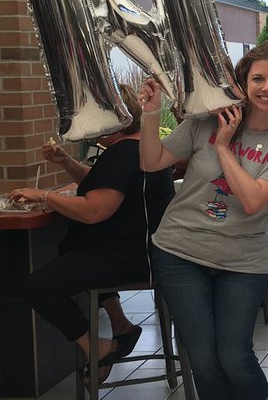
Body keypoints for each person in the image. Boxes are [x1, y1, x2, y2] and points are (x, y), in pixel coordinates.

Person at [139, 44, 268, 400]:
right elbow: (152, 161)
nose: (266, 88)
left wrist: (227, 147)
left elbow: (253, 201)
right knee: (201, 352)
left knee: (234, 353)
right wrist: (152, 113)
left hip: (242, 261)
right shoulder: (202, 123)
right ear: (240, 83)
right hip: (179, 251)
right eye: (257, 79)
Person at [9, 85, 175, 384]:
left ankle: (97, 346)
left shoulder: (123, 154)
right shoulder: (142, 146)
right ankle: (120, 324)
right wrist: (66, 162)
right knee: (72, 247)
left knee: (35, 287)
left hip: (130, 257)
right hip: (149, 251)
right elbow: (106, 183)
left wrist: (44, 196)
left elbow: (95, 210)